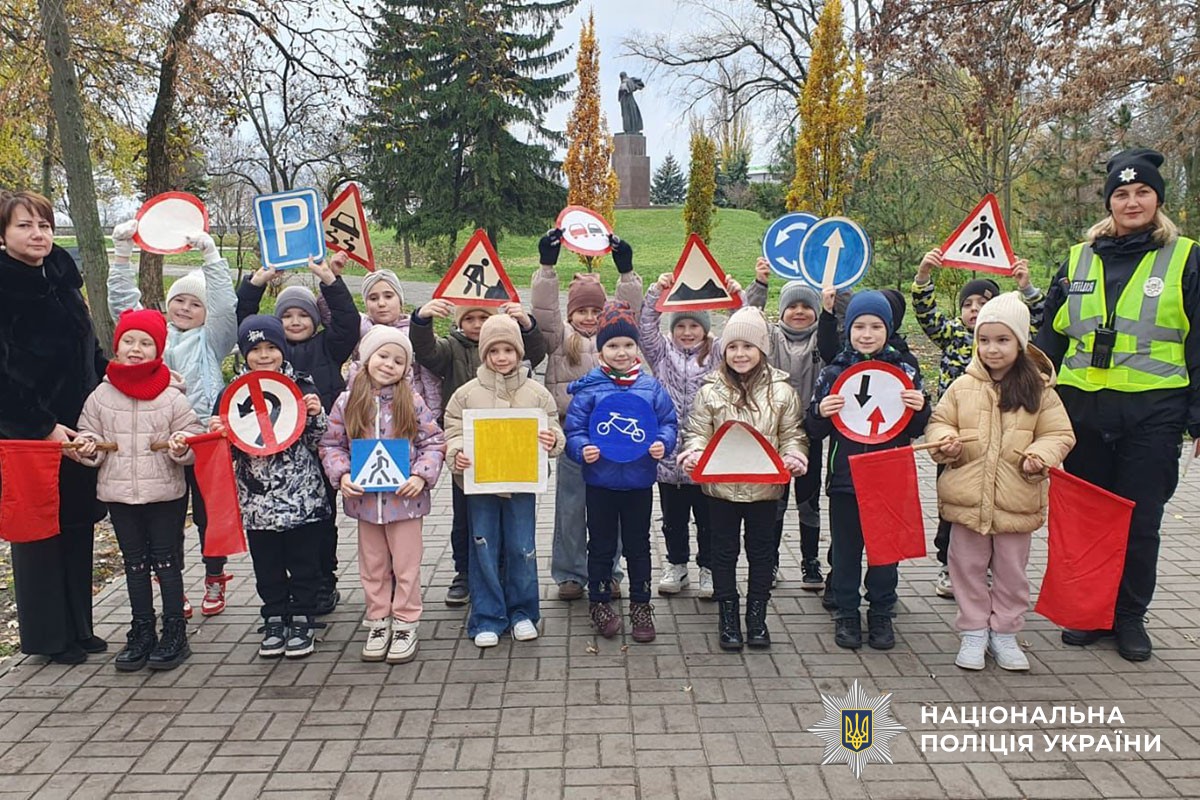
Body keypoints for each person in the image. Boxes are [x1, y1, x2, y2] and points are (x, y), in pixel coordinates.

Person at [1036, 147, 1200, 662]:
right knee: (1086, 518)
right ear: (1109, 203)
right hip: (1083, 409)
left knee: (1140, 519)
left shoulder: (1186, 258)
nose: (1132, 202)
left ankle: (1129, 618)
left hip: (1154, 413)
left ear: (1158, 199)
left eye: (1143, 192)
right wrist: (1031, 400)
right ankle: (1091, 611)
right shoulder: (1077, 257)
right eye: (1122, 194)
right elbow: (1049, 339)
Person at [926, 293, 1075, 671]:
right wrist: (946, 442)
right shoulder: (962, 386)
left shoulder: (1040, 390)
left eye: (1002, 340)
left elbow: (1059, 434)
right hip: (967, 499)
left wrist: (1041, 455)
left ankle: (1006, 631)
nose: (992, 349)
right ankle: (974, 630)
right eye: (984, 340)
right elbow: (940, 421)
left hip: (1017, 498)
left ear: (1021, 342)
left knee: (1011, 571)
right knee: (966, 566)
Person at [107, 222, 239, 617]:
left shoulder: (213, 339)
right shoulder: (154, 339)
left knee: (206, 514)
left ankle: (215, 576)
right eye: (179, 300)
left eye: (194, 304)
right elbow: (123, 307)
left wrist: (211, 257)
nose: (185, 308)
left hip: (201, 439)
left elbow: (224, 305)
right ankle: (173, 586)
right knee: (166, 519)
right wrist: (122, 253)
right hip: (158, 442)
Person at [0, 190, 108, 664]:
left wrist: (124, 376)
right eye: (24, 226)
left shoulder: (62, 279)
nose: (38, 234)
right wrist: (43, 426)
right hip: (30, 432)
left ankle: (80, 626)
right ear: (3, 235)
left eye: (43, 224)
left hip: (79, 424)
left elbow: (88, 351)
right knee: (40, 531)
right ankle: (50, 636)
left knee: (78, 524)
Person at [76, 309, 205, 671]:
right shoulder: (100, 396)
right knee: (134, 564)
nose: (136, 349)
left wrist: (182, 446)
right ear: (116, 347)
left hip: (165, 493)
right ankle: (141, 629)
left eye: (146, 343)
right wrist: (88, 446)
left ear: (158, 350)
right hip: (119, 494)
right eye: (128, 341)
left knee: (165, 561)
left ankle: (174, 631)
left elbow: (192, 436)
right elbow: (89, 432)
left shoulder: (172, 396)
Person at [912, 249, 1045, 600]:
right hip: (959, 439)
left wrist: (1026, 287)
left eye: (982, 303)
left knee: (997, 503)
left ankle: (990, 570)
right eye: (967, 304)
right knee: (954, 502)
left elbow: (1040, 319)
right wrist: (925, 275)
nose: (973, 310)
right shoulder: (954, 336)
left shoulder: (1013, 342)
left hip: (1003, 437)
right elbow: (925, 313)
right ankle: (948, 562)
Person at [237, 253, 361, 616]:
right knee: (279, 533)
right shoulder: (270, 351)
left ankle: (324, 581)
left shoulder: (328, 345)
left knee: (321, 520)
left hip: (319, 448)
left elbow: (348, 322)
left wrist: (330, 282)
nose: (294, 321)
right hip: (272, 457)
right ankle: (284, 593)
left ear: (314, 319)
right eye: (287, 315)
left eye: (302, 315)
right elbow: (247, 325)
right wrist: (255, 284)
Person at [806, 291, 931, 650]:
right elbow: (813, 428)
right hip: (846, 477)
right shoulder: (834, 371)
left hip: (890, 476)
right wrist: (820, 412)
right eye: (859, 326)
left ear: (888, 330)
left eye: (876, 326)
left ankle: (880, 612)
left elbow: (917, 425)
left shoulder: (905, 369)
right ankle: (846, 613)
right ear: (847, 330)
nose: (866, 333)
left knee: (885, 551)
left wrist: (920, 408)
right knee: (846, 550)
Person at [679, 307, 808, 651]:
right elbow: (697, 431)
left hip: (766, 491)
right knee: (723, 553)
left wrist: (795, 455)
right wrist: (693, 452)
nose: (740, 354)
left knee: (762, 554)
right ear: (724, 351)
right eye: (733, 347)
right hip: (719, 490)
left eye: (748, 347)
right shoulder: (710, 390)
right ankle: (727, 616)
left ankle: (757, 617)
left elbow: (792, 432)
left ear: (762, 350)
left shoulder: (782, 392)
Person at [411, 295, 547, 607]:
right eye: (469, 318)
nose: (476, 324)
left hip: (509, 451)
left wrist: (526, 324)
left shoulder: (512, 352)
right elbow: (426, 351)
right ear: (459, 322)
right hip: (469, 455)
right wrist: (421, 320)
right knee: (465, 517)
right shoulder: (451, 348)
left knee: (508, 515)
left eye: (482, 318)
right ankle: (464, 572)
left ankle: (500, 571)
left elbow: (536, 352)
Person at [320, 327, 445, 664]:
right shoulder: (347, 402)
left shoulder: (412, 400)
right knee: (372, 566)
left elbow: (433, 442)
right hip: (365, 504)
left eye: (399, 360)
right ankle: (378, 619)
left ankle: (406, 621)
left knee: (406, 566)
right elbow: (332, 444)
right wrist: (342, 473)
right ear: (366, 357)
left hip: (405, 503)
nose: (389, 364)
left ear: (407, 368)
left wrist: (421, 475)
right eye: (383, 356)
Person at [213, 316, 332, 659]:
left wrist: (315, 415)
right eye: (256, 349)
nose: (264, 356)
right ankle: (275, 617)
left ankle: (303, 619)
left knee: (304, 562)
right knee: (267, 566)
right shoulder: (232, 394)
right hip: (257, 503)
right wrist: (219, 432)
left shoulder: (302, 386)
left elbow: (318, 440)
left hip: (302, 499)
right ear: (245, 353)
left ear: (282, 349)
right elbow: (230, 450)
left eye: (271, 348)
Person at [533, 230, 642, 601]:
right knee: (570, 509)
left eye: (597, 310)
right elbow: (544, 315)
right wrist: (547, 267)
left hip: (615, 441)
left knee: (610, 510)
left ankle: (609, 570)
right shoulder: (560, 338)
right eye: (582, 310)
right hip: (573, 440)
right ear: (571, 312)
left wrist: (626, 274)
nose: (590, 317)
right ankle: (570, 574)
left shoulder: (615, 339)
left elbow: (633, 313)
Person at [443, 314, 565, 647]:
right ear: (484, 353)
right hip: (480, 486)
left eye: (508, 349)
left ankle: (524, 613)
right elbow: (452, 429)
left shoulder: (536, 394)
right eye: (493, 350)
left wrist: (552, 441)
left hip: (521, 485)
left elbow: (554, 428)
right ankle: (487, 616)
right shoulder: (466, 394)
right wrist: (457, 452)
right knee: (482, 546)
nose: (501, 357)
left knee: (522, 548)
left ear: (519, 351)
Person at [564, 301, 677, 643]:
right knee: (600, 545)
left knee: (639, 545)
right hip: (600, 481)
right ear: (601, 352)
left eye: (628, 345)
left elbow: (669, 423)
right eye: (612, 345)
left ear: (637, 348)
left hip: (639, 481)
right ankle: (599, 602)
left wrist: (662, 443)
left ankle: (641, 605)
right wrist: (582, 448)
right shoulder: (589, 389)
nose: (621, 352)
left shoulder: (651, 387)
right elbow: (575, 430)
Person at [640, 272, 743, 598]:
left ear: (705, 329)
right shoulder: (661, 354)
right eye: (681, 326)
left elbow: (740, 329)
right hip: (669, 456)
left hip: (706, 453)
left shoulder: (716, 354)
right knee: (673, 518)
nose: (687, 332)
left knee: (708, 517)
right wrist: (658, 291)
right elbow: (646, 327)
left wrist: (733, 299)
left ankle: (708, 568)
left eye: (694, 326)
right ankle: (677, 564)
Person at [749, 261, 830, 592]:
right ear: (781, 311)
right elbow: (748, 320)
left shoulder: (823, 341)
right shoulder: (770, 337)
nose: (799, 312)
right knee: (775, 501)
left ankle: (810, 561)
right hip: (773, 434)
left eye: (806, 306)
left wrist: (833, 293)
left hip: (810, 434)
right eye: (792, 306)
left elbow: (837, 317)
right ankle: (770, 562)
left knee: (808, 501)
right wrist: (760, 284)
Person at [353, 269, 442, 415]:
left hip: (408, 411)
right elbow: (336, 313)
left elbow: (429, 379)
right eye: (373, 298)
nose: (381, 303)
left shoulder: (415, 333)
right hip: (368, 411)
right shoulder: (360, 330)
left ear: (400, 299)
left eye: (388, 296)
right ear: (366, 303)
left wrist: (433, 414)